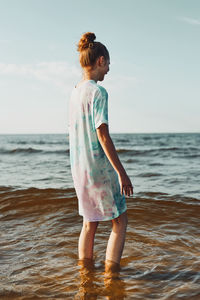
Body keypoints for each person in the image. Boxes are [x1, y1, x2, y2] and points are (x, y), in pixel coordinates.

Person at [68, 32, 133, 272]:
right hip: (98, 168)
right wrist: (122, 173)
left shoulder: (75, 92)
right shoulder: (98, 92)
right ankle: (111, 277)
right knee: (120, 221)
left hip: (79, 168)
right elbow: (102, 135)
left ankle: (85, 275)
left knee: (89, 223)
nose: (108, 71)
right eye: (108, 65)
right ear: (100, 61)